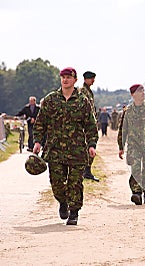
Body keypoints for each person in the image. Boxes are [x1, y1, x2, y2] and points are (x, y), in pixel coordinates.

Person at [32, 67, 98, 225]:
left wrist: (91, 145)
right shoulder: (51, 100)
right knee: (56, 181)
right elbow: (41, 122)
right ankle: (63, 202)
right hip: (55, 150)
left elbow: (90, 125)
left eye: (69, 77)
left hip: (77, 150)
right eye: (63, 77)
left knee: (75, 182)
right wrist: (37, 141)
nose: (65, 80)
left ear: (75, 80)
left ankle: (74, 212)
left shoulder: (83, 101)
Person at [120, 84, 145, 205]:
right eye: (139, 91)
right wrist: (121, 146)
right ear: (133, 94)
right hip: (134, 145)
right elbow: (123, 129)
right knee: (136, 167)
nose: (142, 93)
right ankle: (136, 192)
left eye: (143, 91)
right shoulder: (128, 111)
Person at [80, 71, 99, 181]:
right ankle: (85, 171)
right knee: (87, 146)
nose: (93, 81)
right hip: (85, 124)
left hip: (90, 122)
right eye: (92, 78)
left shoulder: (89, 91)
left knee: (91, 145)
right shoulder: (83, 91)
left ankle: (87, 170)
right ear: (86, 79)